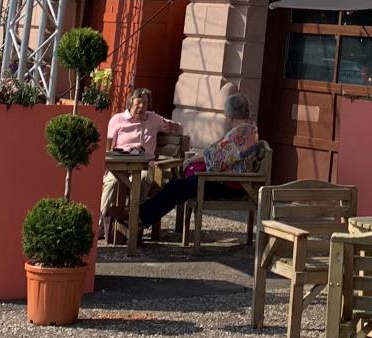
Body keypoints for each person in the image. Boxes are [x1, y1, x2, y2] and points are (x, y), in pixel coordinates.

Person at [136, 89, 261, 235]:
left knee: (178, 187)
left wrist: (194, 160)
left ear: (230, 114)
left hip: (230, 184)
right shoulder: (247, 129)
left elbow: (217, 160)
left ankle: (140, 217)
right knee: (177, 186)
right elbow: (219, 153)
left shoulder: (241, 133)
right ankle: (142, 216)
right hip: (226, 180)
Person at [99, 88, 183, 243]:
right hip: (120, 164)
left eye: (145, 103)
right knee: (112, 182)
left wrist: (173, 126)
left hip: (144, 166)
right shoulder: (117, 120)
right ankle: (99, 226)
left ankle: (134, 221)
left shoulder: (153, 119)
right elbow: (108, 147)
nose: (141, 107)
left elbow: (178, 128)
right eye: (138, 102)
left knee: (143, 179)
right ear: (131, 102)